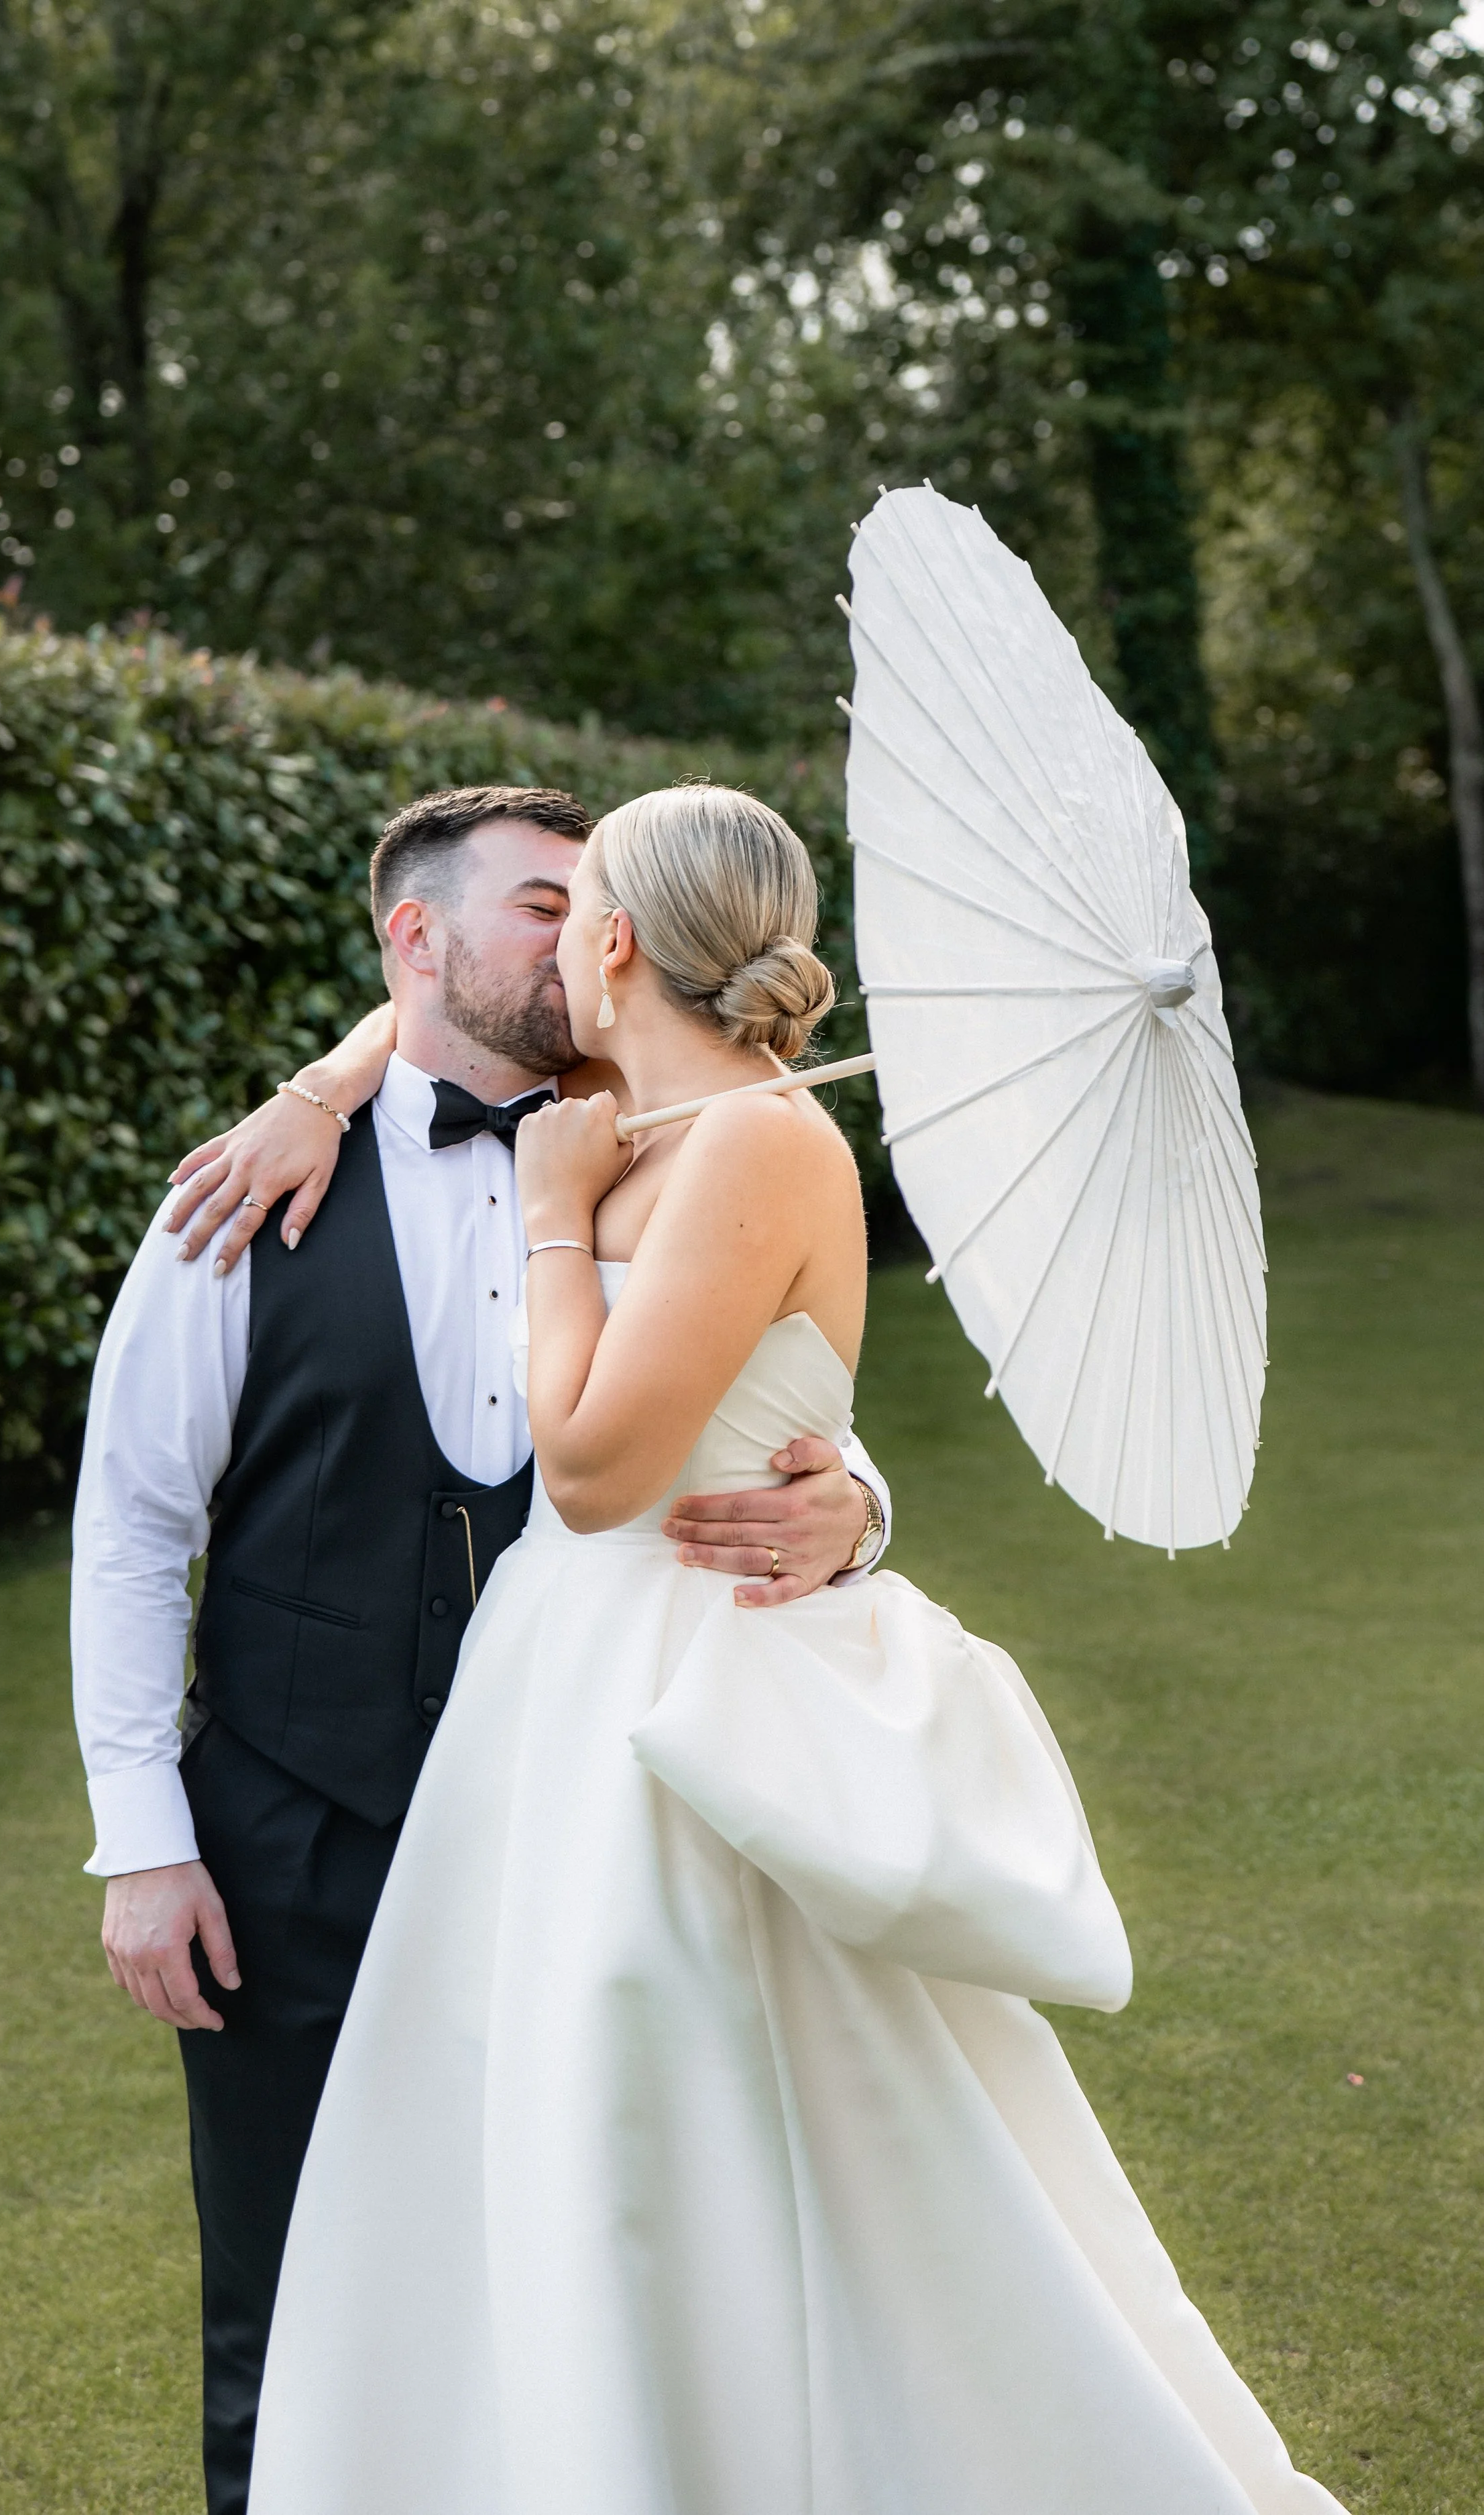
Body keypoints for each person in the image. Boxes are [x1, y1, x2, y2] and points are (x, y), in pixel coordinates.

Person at [243, 784, 1345, 2514]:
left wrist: (550, 1218)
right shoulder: (626, 1112)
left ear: (612, 941)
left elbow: (602, 1472)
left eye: (570, 908)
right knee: (537, 2100)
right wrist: (315, 1093)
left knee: (718, 2104)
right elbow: (429, 990)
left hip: (687, 1674)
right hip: (559, 1685)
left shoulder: (756, 1143)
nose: (548, 944)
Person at [70, 785, 892, 2515]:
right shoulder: (245, 1193)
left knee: (577, 2289)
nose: (584, 930)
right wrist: (146, 1838)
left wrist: (859, 1504)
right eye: (542, 900)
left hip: (582, 1825)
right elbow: (136, 1527)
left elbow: (766, 1406)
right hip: (297, 1823)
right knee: (288, 2309)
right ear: (415, 941)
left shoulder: (688, 1150)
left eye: (589, 900)